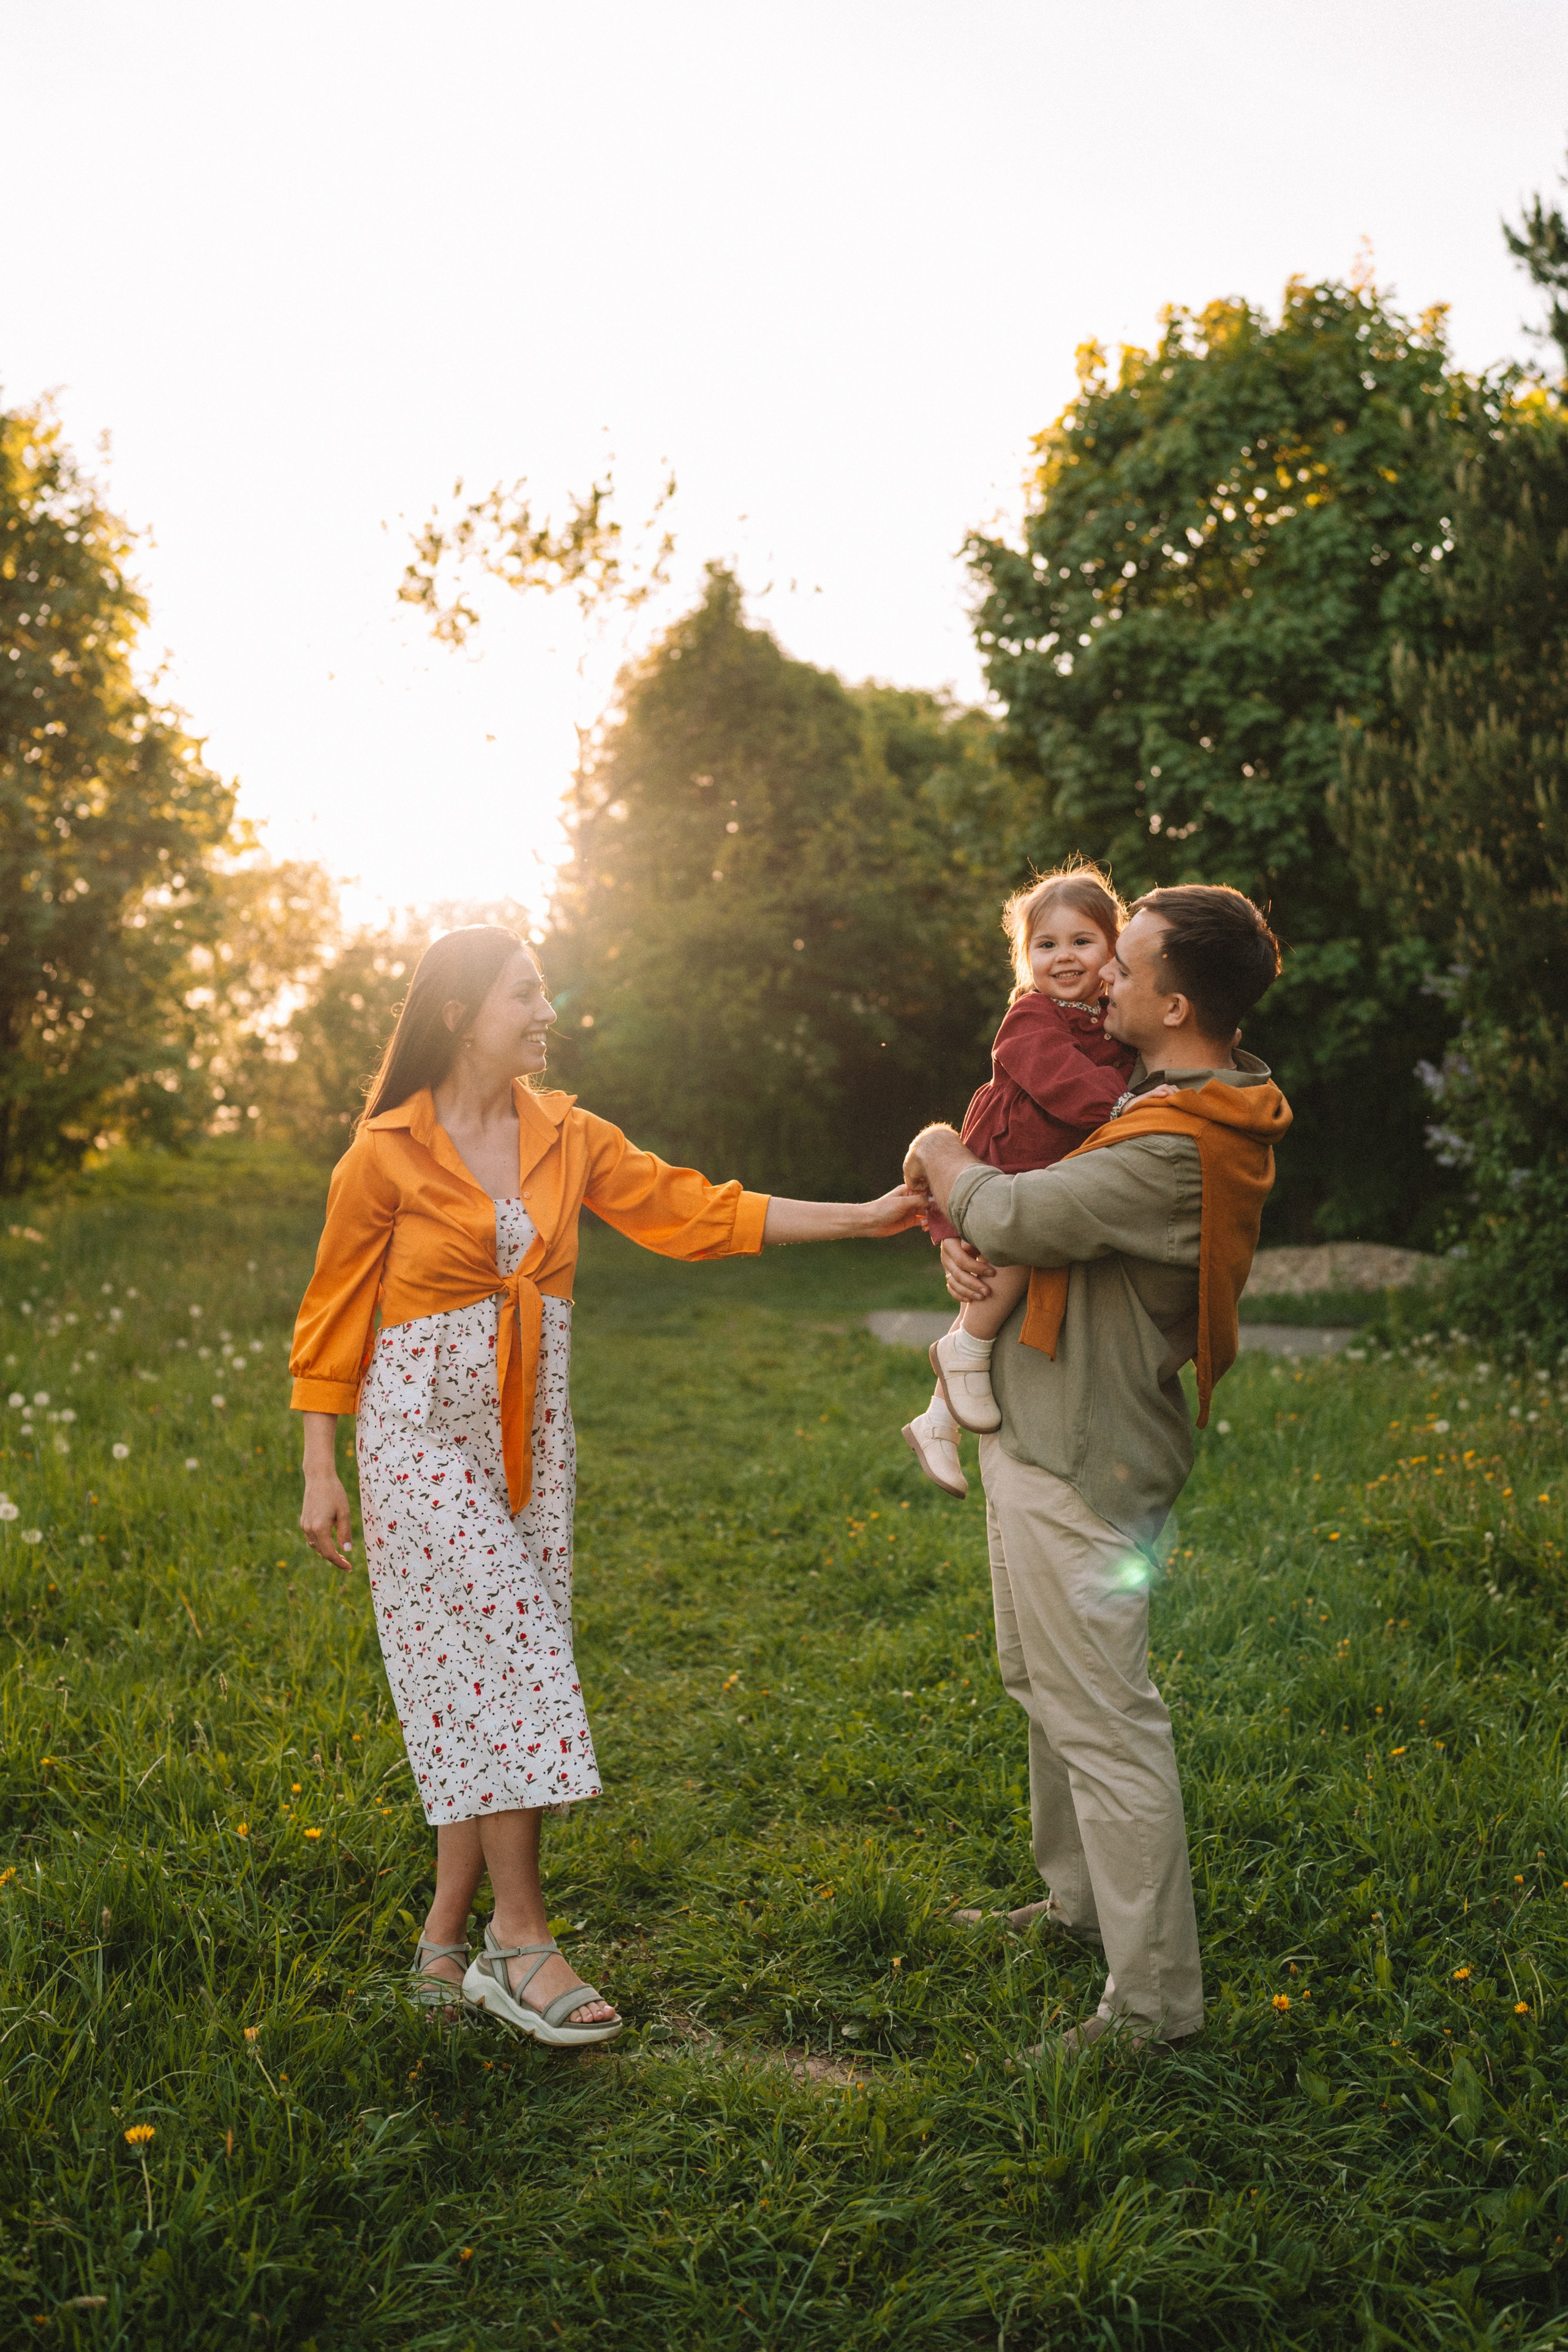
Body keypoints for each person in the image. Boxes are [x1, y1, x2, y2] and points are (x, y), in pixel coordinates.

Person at [290, 925, 919, 2047]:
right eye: (525, 996)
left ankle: (444, 1932)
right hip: (418, 1433)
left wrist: (866, 1218)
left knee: (477, 1675)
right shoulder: (382, 1152)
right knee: (514, 1651)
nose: (547, 1013)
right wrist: (318, 1468)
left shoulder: (568, 1134)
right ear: (458, 1014)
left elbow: (699, 1210)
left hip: (532, 1432)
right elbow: (333, 1313)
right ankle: (519, 1941)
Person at [901, 885, 1289, 2057]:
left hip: (1088, 1456)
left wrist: (933, 1147)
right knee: (1042, 1683)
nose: (1098, 978)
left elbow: (1009, 1211)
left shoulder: (1176, 1144)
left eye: (1122, 966)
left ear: (1173, 1001)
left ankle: (1154, 2006)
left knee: (1108, 1722)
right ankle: (1075, 1905)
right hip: (1037, 1424)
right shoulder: (1157, 1105)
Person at [902, 864, 1134, 1502]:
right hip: (1003, 1167)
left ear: (1114, 947)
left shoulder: (1111, 1021)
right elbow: (1060, 1079)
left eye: (1082, 941)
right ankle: (965, 1353)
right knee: (1004, 1269)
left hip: (1040, 1178)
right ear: (1024, 956)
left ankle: (936, 1421)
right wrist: (1123, 1107)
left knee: (993, 1281)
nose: (1063, 956)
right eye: (1045, 944)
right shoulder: (1030, 1017)